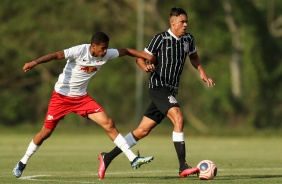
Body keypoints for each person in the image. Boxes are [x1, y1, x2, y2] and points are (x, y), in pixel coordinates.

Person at [12, 31, 155, 178]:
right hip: (61, 98)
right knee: (45, 133)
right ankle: (23, 162)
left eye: (107, 48)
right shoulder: (79, 51)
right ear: (93, 46)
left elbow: (126, 51)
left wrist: (147, 56)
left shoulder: (105, 54)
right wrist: (34, 62)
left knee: (109, 123)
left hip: (82, 99)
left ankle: (132, 159)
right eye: (103, 48)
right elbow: (55, 55)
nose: (105, 51)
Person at [97, 7, 215, 179]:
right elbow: (140, 58)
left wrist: (201, 71)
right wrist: (146, 67)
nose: (185, 25)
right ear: (172, 22)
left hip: (171, 90)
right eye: (182, 22)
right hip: (159, 87)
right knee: (179, 118)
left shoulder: (188, 39)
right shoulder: (160, 39)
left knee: (142, 131)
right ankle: (183, 166)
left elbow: (194, 57)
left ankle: (107, 157)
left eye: (186, 21)